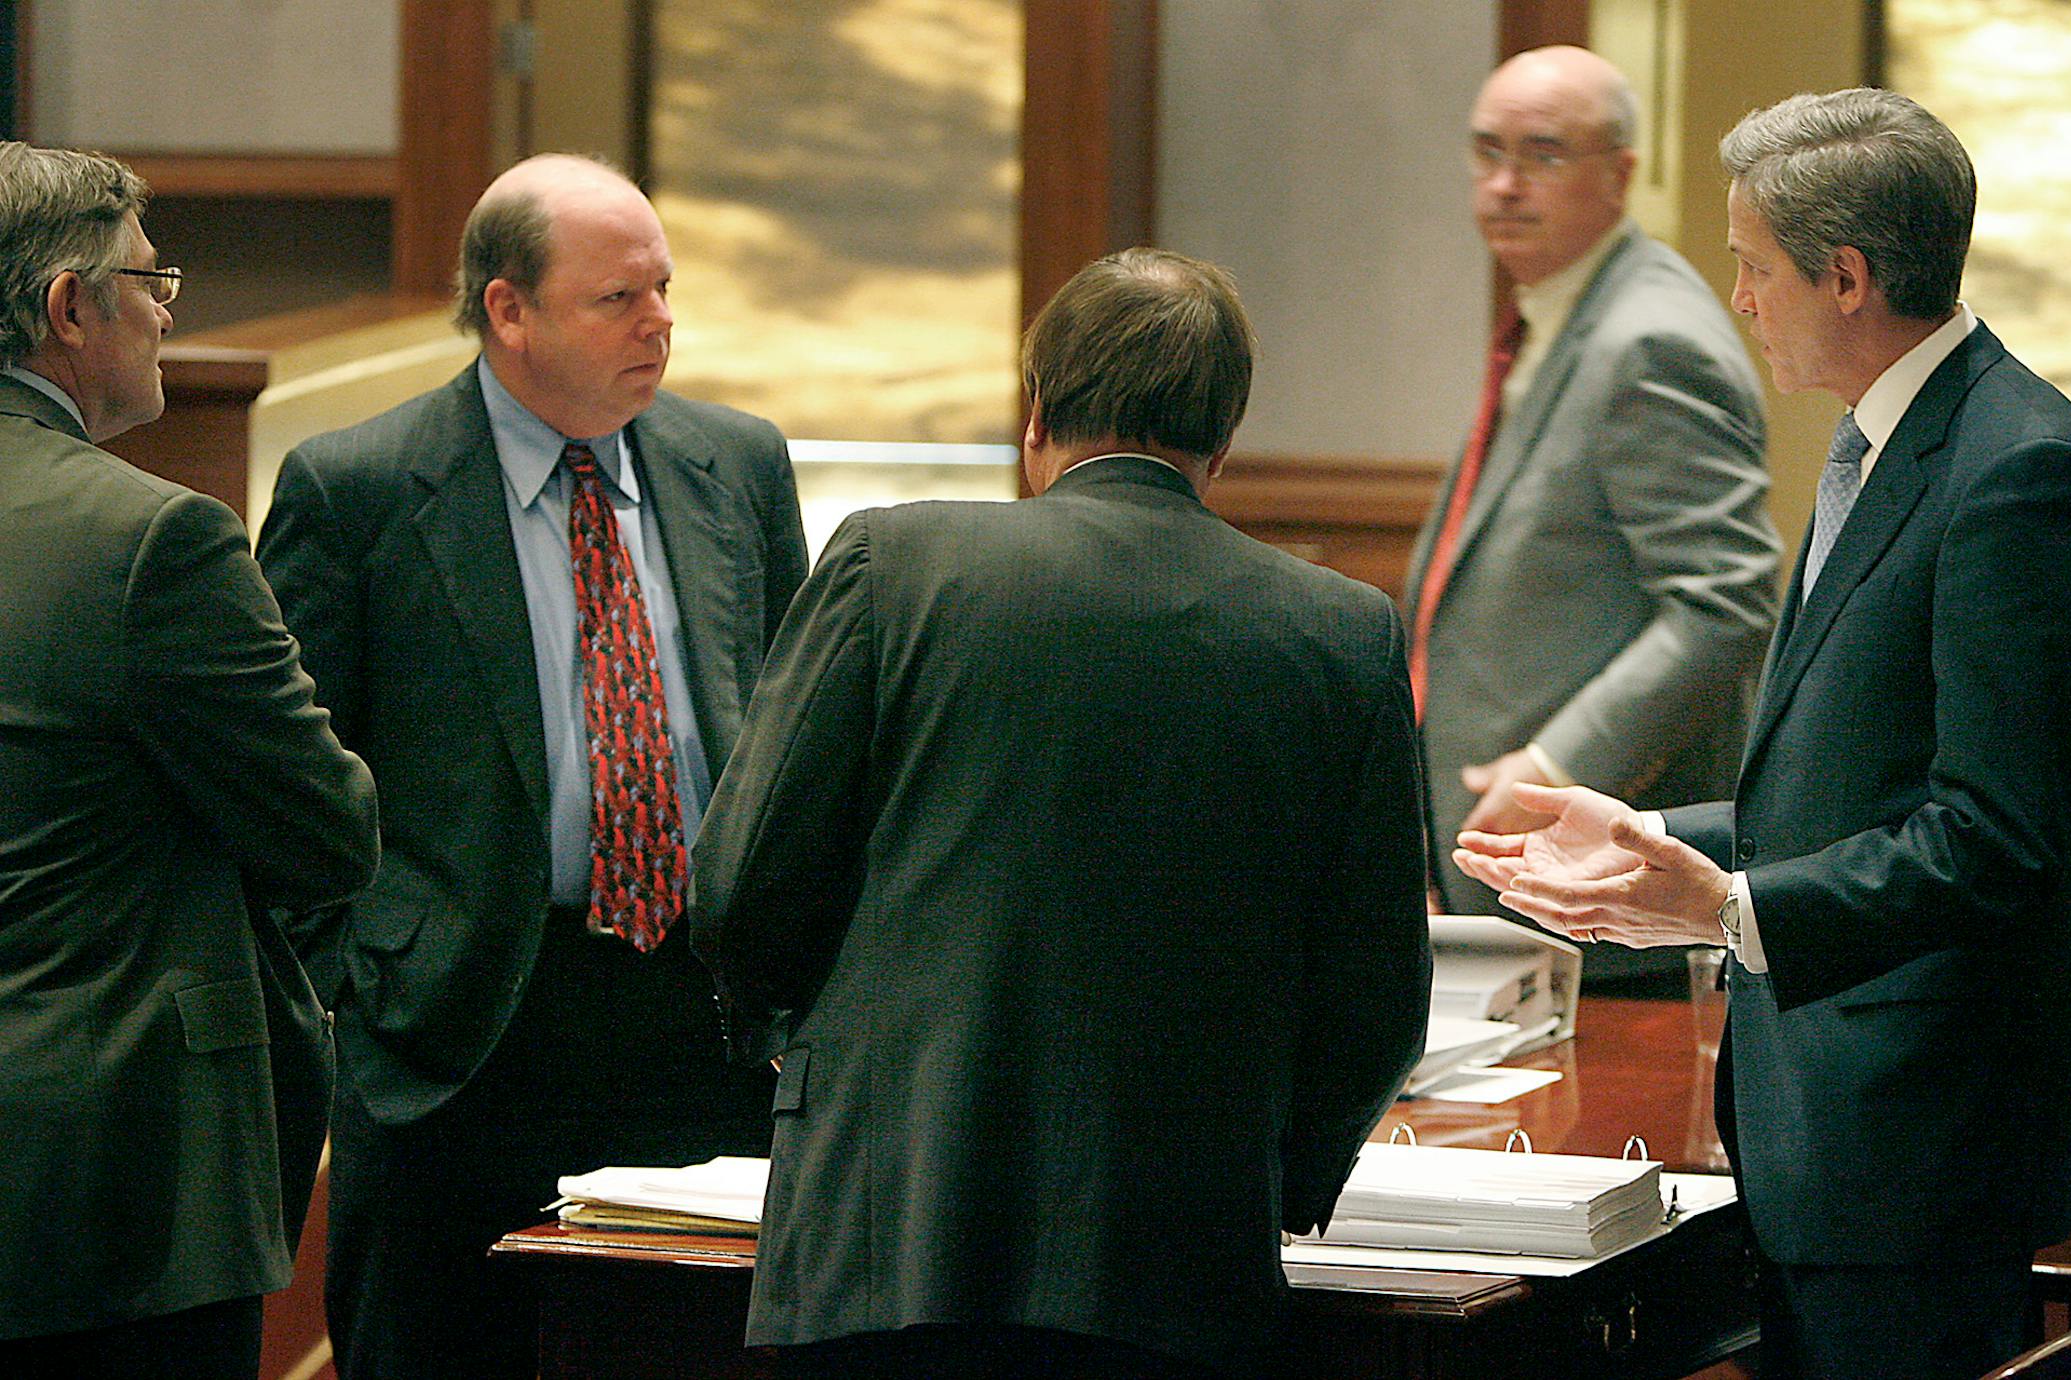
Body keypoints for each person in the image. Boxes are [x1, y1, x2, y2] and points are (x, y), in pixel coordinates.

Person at [1457, 89, 2071, 1378]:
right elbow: (1851, 788)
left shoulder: (2017, 470)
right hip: (1827, 1147)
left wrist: (1728, 909)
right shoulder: (1883, 444)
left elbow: (1993, 840)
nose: (1739, 297)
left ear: (1845, 276)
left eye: (1753, 267)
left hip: (1918, 1153)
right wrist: (1650, 833)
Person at [691, 248, 1432, 1378]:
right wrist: (1274, 1178)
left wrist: (808, 1075)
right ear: (1222, 440)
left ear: (1034, 412)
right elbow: (1377, 989)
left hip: (883, 1238)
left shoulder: (891, 563)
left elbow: (744, 880)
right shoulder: (1340, 632)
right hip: (1181, 1258)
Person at [255, 154, 809, 1379]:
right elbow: (285, 786)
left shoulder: (740, 466)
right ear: (508, 309)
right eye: (620, 298)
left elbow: (796, 738)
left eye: (665, 288)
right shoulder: (354, 490)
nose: (661, 321)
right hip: (459, 1032)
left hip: (698, 1021)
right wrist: (366, 982)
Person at [0, 144, 379, 1377]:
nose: (168, 307)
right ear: (68, 306)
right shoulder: (152, 542)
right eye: (148, 277)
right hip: (110, 1186)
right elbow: (325, 832)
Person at [1409, 45, 1779, 993]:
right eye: (1486, 152)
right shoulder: (1565, 312)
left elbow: (1725, 602)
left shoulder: (1648, 339)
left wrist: (1550, 759)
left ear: (1620, 172)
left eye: (1542, 154)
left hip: (1601, 882)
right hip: (1526, 885)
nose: (1502, 186)